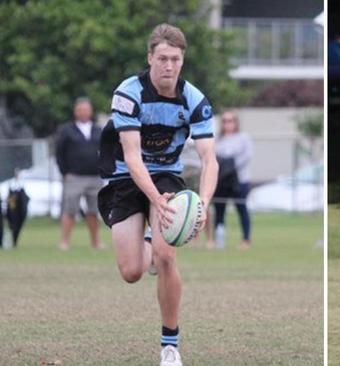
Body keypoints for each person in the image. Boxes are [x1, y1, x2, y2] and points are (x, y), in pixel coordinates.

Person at [97, 23, 218, 366]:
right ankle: (149, 241)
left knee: (167, 258)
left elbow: (210, 159)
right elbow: (133, 157)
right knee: (131, 271)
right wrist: (154, 201)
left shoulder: (194, 99)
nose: (168, 66)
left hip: (166, 175)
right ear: (150, 58)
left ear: (183, 61)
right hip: (124, 177)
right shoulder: (128, 92)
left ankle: (170, 346)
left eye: (175, 59)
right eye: (162, 58)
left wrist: (203, 204)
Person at [55, 97, 104, 251]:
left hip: (95, 177)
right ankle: (64, 242)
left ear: (90, 111)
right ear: (75, 112)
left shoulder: (98, 130)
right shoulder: (67, 131)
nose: (83, 112)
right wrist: (65, 172)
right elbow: (59, 153)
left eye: (86, 109)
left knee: (93, 211)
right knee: (70, 210)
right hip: (74, 177)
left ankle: (95, 243)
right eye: (80, 110)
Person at [207, 110, 253, 250]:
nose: (228, 123)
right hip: (221, 180)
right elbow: (212, 155)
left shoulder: (243, 138)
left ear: (236, 122)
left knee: (242, 209)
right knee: (219, 210)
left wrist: (230, 167)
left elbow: (247, 156)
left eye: (231, 120)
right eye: (225, 121)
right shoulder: (217, 139)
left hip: (239, 180)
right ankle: (217, 239)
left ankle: (246, 239)